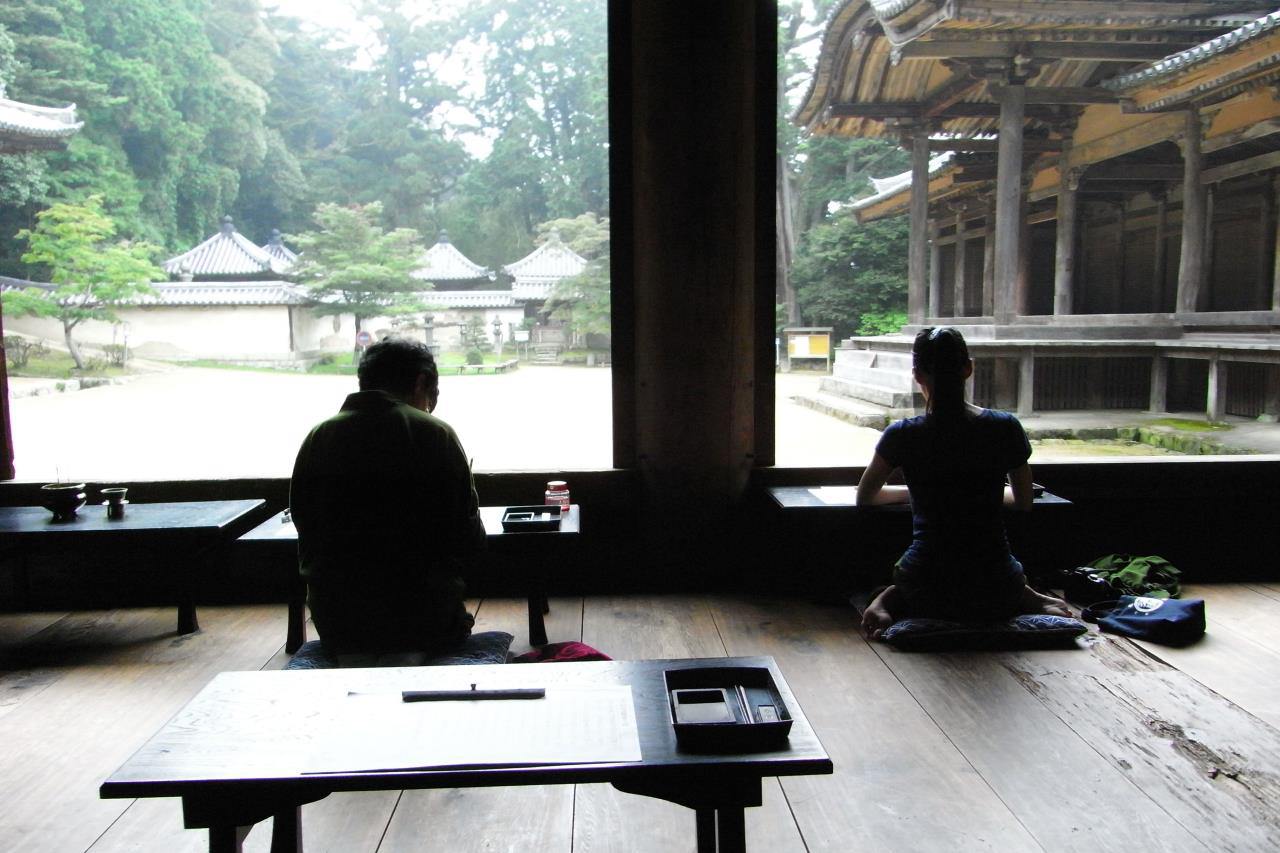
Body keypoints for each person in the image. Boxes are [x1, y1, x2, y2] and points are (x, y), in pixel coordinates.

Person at [857, 327, 1070, 640]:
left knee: (918, 566)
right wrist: (980, 493)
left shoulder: (903, 433)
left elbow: (865, 497)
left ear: (917, 375)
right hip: (999, 585)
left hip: (924, 585)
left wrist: (919, 493)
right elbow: (1024, 501)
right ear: (968, 367)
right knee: (991, 561)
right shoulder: (1004, 427)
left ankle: (885, 599)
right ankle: (1029, 596)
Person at [290, 337, 485, 658]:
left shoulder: (319, 436)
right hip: (423, 623)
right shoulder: (434, 433)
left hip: (339, 625)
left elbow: (305, 525)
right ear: (422, 382)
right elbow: (468, 540)